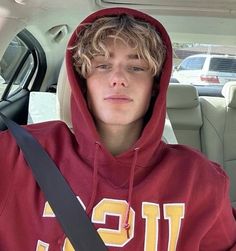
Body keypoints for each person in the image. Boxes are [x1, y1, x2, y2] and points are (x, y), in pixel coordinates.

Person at [0, 7, 236, 251]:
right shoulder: (19, 155)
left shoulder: (200, 180)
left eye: (136, 67)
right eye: (102, 65)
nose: (118, 78)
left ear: (154, 86)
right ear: (83, 83)